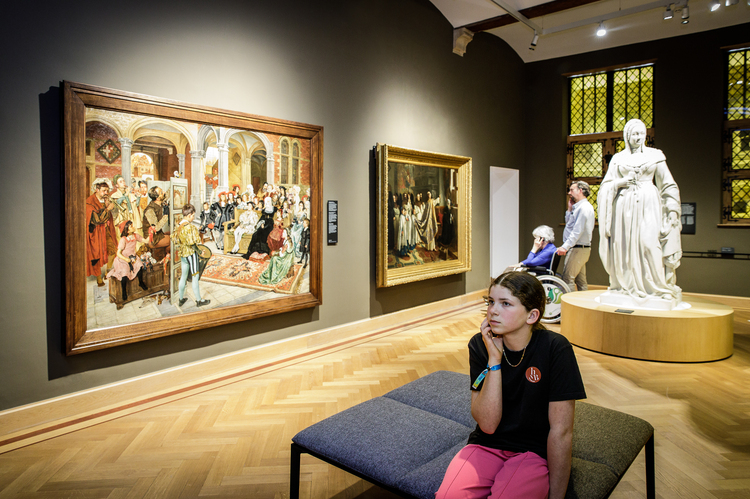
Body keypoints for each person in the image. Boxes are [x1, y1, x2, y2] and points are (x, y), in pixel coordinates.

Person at [436, 271, 586, 499]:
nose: (493, 310)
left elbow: (561, 432)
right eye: (491, 301)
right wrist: (494, 361)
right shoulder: (480, 344)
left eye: (506, 303)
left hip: (533, 451)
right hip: (486, 444)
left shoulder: (555, 348)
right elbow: (487, 424)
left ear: (532, 315)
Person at [598, 118, 682, 303]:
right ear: (627, 136)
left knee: (648, 243)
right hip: (623, 208)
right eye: (635, 134)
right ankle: (624, 287)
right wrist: (620, 183)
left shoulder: (655, 155)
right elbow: (606, 186)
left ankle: (657, 287)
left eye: (642, 133)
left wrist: (673, 210)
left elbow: (668, 184)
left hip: (649, 205)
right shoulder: (618, 159)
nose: (639, 137)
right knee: (624, 246)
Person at [556, 181, 595, 291]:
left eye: (572, 190)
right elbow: (570, 225)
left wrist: (565, 247)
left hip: (577, 248)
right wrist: (569, 209)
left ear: (580, 191)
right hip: (579, 249)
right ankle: (584, 305)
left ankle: (571, 306)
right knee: (580, 281)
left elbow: (577, 231)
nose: (569, 193)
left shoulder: (584, 208)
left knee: (568, 279)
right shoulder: (578, 207)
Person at [175, 204, 210, 308]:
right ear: (189, 215)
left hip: (182, 254)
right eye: (193, 215)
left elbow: (175, 239)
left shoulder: (178, 225)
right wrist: (200, 252)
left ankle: (181, 299)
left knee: (183, 276)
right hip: (191, 254)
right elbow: (193, 244)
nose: (193, 217)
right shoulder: (189, 227)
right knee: (195, 276)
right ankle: (199, 300)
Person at [86, 178, 118, 287]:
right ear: (97, 189)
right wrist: (108, 209)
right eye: (104, 190)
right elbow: (96, 219)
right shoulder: (90, 202)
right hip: (95, 233)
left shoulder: (105, 200)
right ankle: (99, 277)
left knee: (113, 250)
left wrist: (109, 207)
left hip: (106, 231)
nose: (106, 193)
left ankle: (107, 273)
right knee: (96, 255)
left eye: (107, 190)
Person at [106, 220, 148, 301]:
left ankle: (140, 282)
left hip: (132, 257)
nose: (133, 226)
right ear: (127, 230)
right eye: (131, 226)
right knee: (124, 272)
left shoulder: (136, 236)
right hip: (122, 258)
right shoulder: (123, 239)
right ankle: (124, 291)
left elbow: (145, 241)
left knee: (139, 265)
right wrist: (125, 259)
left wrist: (151, 233)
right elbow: (118, 253)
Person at [142, 186, 170, 252]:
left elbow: (167, 194)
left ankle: (166, 256)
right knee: (174, 240)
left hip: (158, 235)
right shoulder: (150, 210)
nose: (164, 192)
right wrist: (166, 216)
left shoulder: (159, 202)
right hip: (152, 239)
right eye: (161, 192)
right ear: (157, 198)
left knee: (173, 233)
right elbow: (156, 228)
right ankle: (166, 258)